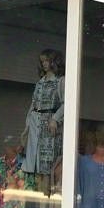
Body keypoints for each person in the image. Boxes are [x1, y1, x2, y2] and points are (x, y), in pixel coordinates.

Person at [21, 49, 65, 196]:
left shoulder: (60, 81)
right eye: (42, 61)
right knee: (35, 167)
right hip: (35, 123)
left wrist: (55, 118)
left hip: (49, 125)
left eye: (47, 60)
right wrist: (27, 126)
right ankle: (38, 201)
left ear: (54, 62)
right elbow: (33, 104)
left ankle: (45, 202)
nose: (45, 64)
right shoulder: (40, 82)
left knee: (46, 167)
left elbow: (67, 103)